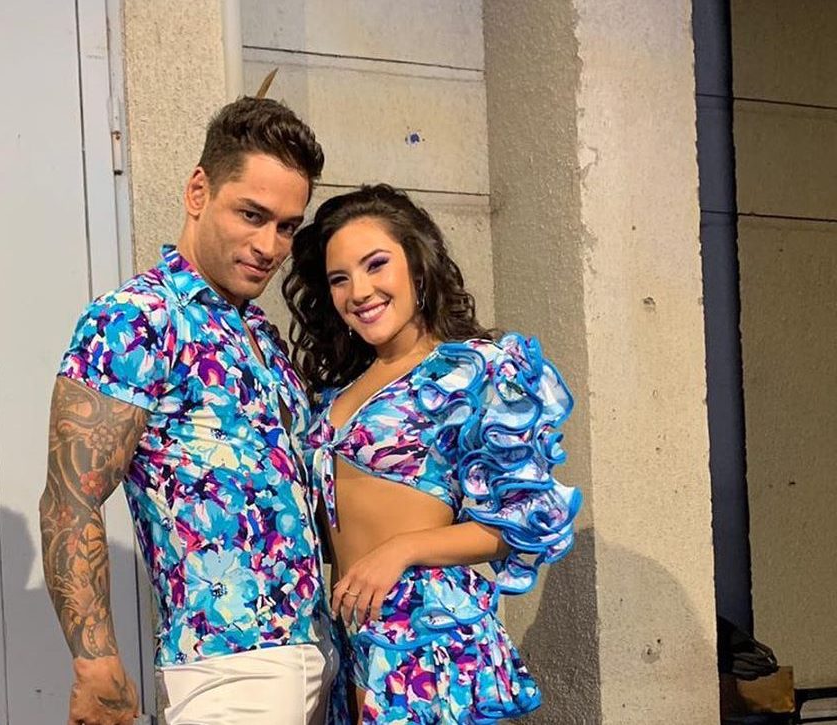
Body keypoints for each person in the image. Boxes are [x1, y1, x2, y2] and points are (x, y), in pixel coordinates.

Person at [40, 96, 343, 725]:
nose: (269, 245)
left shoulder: (259, 332)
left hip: (317, 655)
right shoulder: (136, 319)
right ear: (198, 191)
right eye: (252, 215)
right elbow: (70, 500)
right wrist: (96, 664)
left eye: (286, 227)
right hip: (230, 668)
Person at [283, 184, 582, 724]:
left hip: (429, 639)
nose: (359, 291)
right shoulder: (337, 391)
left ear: (418, 268)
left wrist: (400, 550)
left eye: (376, 264)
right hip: (351, 642)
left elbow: (520, 525)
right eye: (339, 278)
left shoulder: (476, 371)